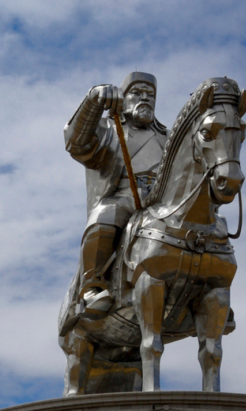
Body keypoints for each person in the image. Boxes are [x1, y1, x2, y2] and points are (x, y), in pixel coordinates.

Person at [63, 72, 168, 316]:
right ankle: (92, 285)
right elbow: (76, 142)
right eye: (137, 93)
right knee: (105, 215)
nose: (145, 99)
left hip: (164, 201)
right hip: (124, 197)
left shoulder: (167, 136)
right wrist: (93, 102)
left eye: (150, 95)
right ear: (123, 97)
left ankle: (208, 289)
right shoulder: (109, 129)